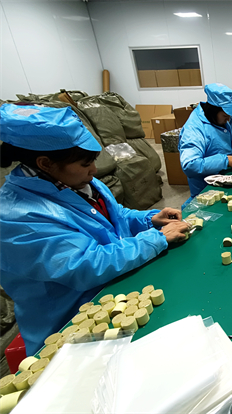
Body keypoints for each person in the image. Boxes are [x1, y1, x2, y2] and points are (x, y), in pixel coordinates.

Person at [0, 104, 190, 354]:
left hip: (114, 289)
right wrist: (155, 239)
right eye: (85, 163)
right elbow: (86, 265)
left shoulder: (77, 181)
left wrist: (150, 219)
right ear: (45, 163)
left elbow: (114, 216)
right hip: (71, 327)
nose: (93, 170)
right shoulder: (17, 217)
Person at [179, 83, 232, 198]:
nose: (228, 119)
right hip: (206, 191)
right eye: (225, 116)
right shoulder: (194, 129)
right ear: (213, 110)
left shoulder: (216, 119)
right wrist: (225, 160)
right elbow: (190, 165)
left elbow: (228, 136)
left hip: (227, 180)